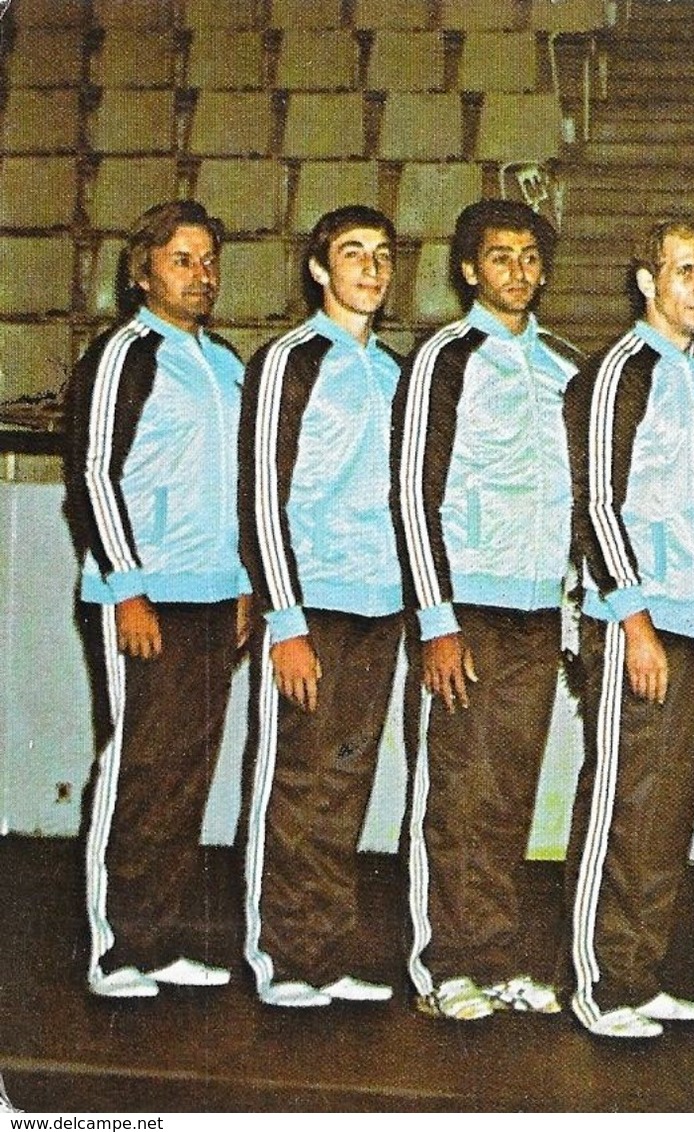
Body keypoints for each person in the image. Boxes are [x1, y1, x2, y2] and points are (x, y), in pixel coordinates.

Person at [394, 199, 581, 1022]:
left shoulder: (564, 365)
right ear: (470, 269)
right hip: (465, 606)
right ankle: (444, 965)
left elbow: (579, 502)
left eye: (530, 256)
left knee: (508, 792)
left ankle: (496, 954)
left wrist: (574, 611)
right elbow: (412, 491)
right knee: (457, 790)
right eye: (499, 256)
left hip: (537, 609)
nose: (518, 270)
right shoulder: (443, 356)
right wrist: (436, 618)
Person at [65, 200, 250, 998]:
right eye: (183, 259)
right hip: (140, 596)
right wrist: (128, 587)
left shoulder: (227, 361)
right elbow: (94, 474)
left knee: (186, 773)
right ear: (143, 272)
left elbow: (245, 485)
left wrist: (247, 583)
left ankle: (160, 938)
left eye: (209, 259)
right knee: (138, 766)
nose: (201, 274)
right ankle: (115, 948)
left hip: (215, 594)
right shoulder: (123, 354)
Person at [563, 219, 694, 1039]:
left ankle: (639, 969)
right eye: (683, 270)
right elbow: (596, 502)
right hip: (640, 623)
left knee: (668, 810)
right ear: (646, 281)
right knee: (623, 803)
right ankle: (599, 980)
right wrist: (631, 621)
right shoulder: (616, 373)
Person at [239, 205, 405, 1008]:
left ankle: (328, 949)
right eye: (352, 253)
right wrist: (285, 618)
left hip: (380, 607)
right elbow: (261, 496)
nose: (370, 268)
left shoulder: (395, 371)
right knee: (296, 782)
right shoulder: (288, 360)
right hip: (310, 606)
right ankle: (284, 957)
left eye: (381, 254)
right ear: (318, 269)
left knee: (345, 782)